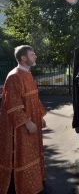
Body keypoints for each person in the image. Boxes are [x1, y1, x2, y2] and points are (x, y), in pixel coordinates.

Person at [0, 45, 47, 194]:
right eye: (32, 54)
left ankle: (33, 182)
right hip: (18, 127)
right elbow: (12, 103)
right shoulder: (14, 76)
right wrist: (27, 122)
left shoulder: (27, 74)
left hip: (32, 121)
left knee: (31, 151)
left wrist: (39, 116)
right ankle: (16, 186)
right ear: (23, 58)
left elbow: (34, 98)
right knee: (20, 154)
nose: (35, 56)